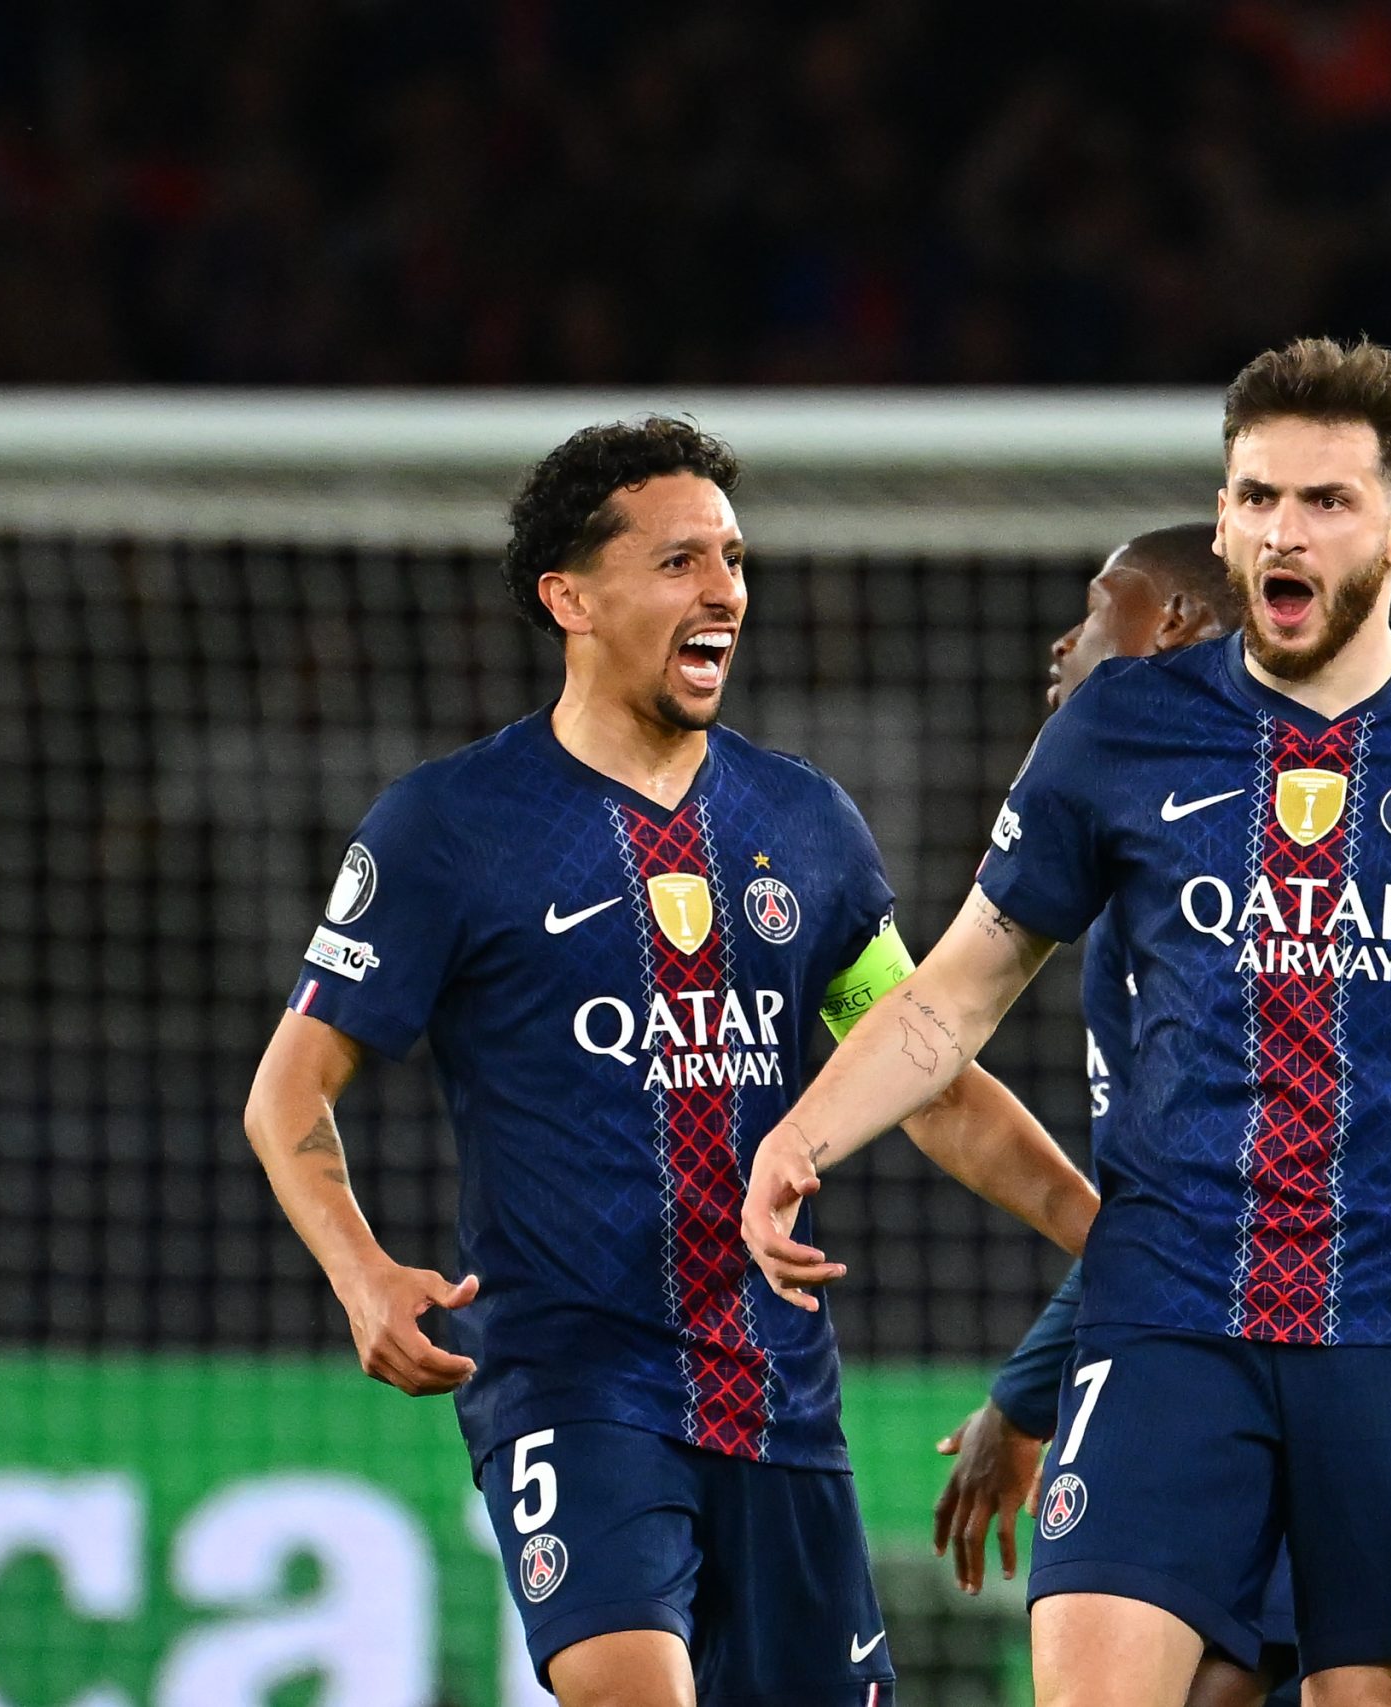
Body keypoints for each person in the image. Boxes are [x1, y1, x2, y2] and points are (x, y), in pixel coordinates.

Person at [744, 337, 1391, 1707]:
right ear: (1223, 516)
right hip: (1169, 1309)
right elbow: (954, 990)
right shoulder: (1118, 732)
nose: (1284, 527)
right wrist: (801, 1135)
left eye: (1326, 500)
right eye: (1257, 495)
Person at [242, 416, 1095, 1707]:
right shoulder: (449, 827)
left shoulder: (804, 823)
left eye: (735, 559)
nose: (726, 592)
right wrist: (360, 1271)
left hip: (780, 1399)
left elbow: (929, 1077)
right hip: (571, 1383)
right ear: (569, 596)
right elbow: (289, 1086)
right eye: (681, 561)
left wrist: (1108, 1233)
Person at [929, 524, 1301, 1707]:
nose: (1063, 637)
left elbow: (1222, 1200)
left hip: (1300, 1365)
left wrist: (1032, 1392)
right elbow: (1176, 1201)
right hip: (1196, 1340)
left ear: (1177, 623)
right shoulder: (1140, 849)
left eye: (1097, 604)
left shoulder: (1244, 856)